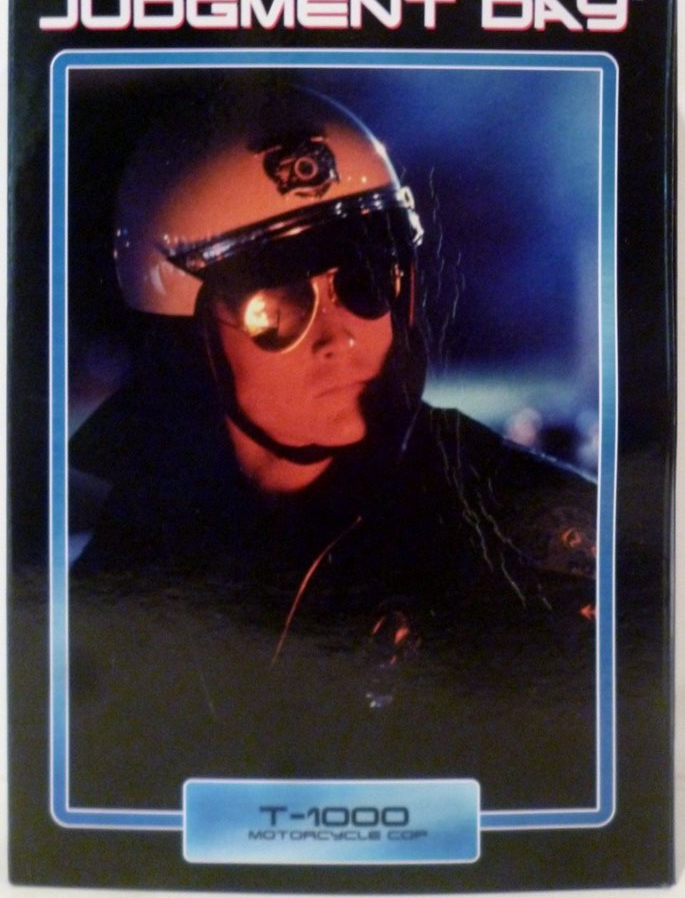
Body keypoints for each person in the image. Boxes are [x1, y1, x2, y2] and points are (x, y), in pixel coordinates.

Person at [69, 81, 597, 813]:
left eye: (365, 281)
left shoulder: (538, 550)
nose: (340, 336)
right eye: (275, 305)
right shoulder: (121, 553)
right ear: (182, 338)